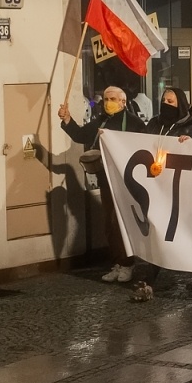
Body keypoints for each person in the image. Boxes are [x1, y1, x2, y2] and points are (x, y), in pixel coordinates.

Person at [58, 86, 144, 285]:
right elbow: (80, 135)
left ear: (123, 102)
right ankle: (118, 262)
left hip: (127, 181)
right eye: (105, 99)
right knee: (109, 223)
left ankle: (128, 263)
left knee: (121, 222)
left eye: (112, 99)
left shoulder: (135, 123)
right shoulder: (101, 121)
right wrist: (67, 119)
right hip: (107, 179)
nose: (108, 102)